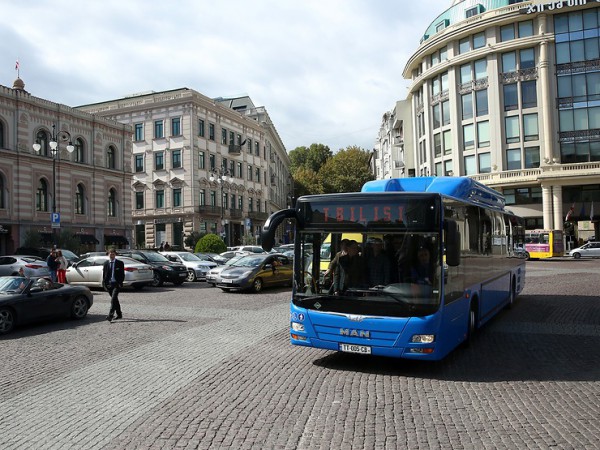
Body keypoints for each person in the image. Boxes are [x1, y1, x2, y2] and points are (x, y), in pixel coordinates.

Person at [102, 248, 125, 322]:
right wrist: (105, 284)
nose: (111, 255)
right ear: (108, 254)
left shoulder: (120, 263)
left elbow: (122, 275)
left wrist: (120, 283)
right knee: (115, 300)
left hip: (116, 284)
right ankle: (119, 314)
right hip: (109, 284)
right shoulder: (106, 263)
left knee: (113, 299)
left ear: (115, 254)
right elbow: (104, 275)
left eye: (113, 254)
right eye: (110, 254)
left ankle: (110, 315)